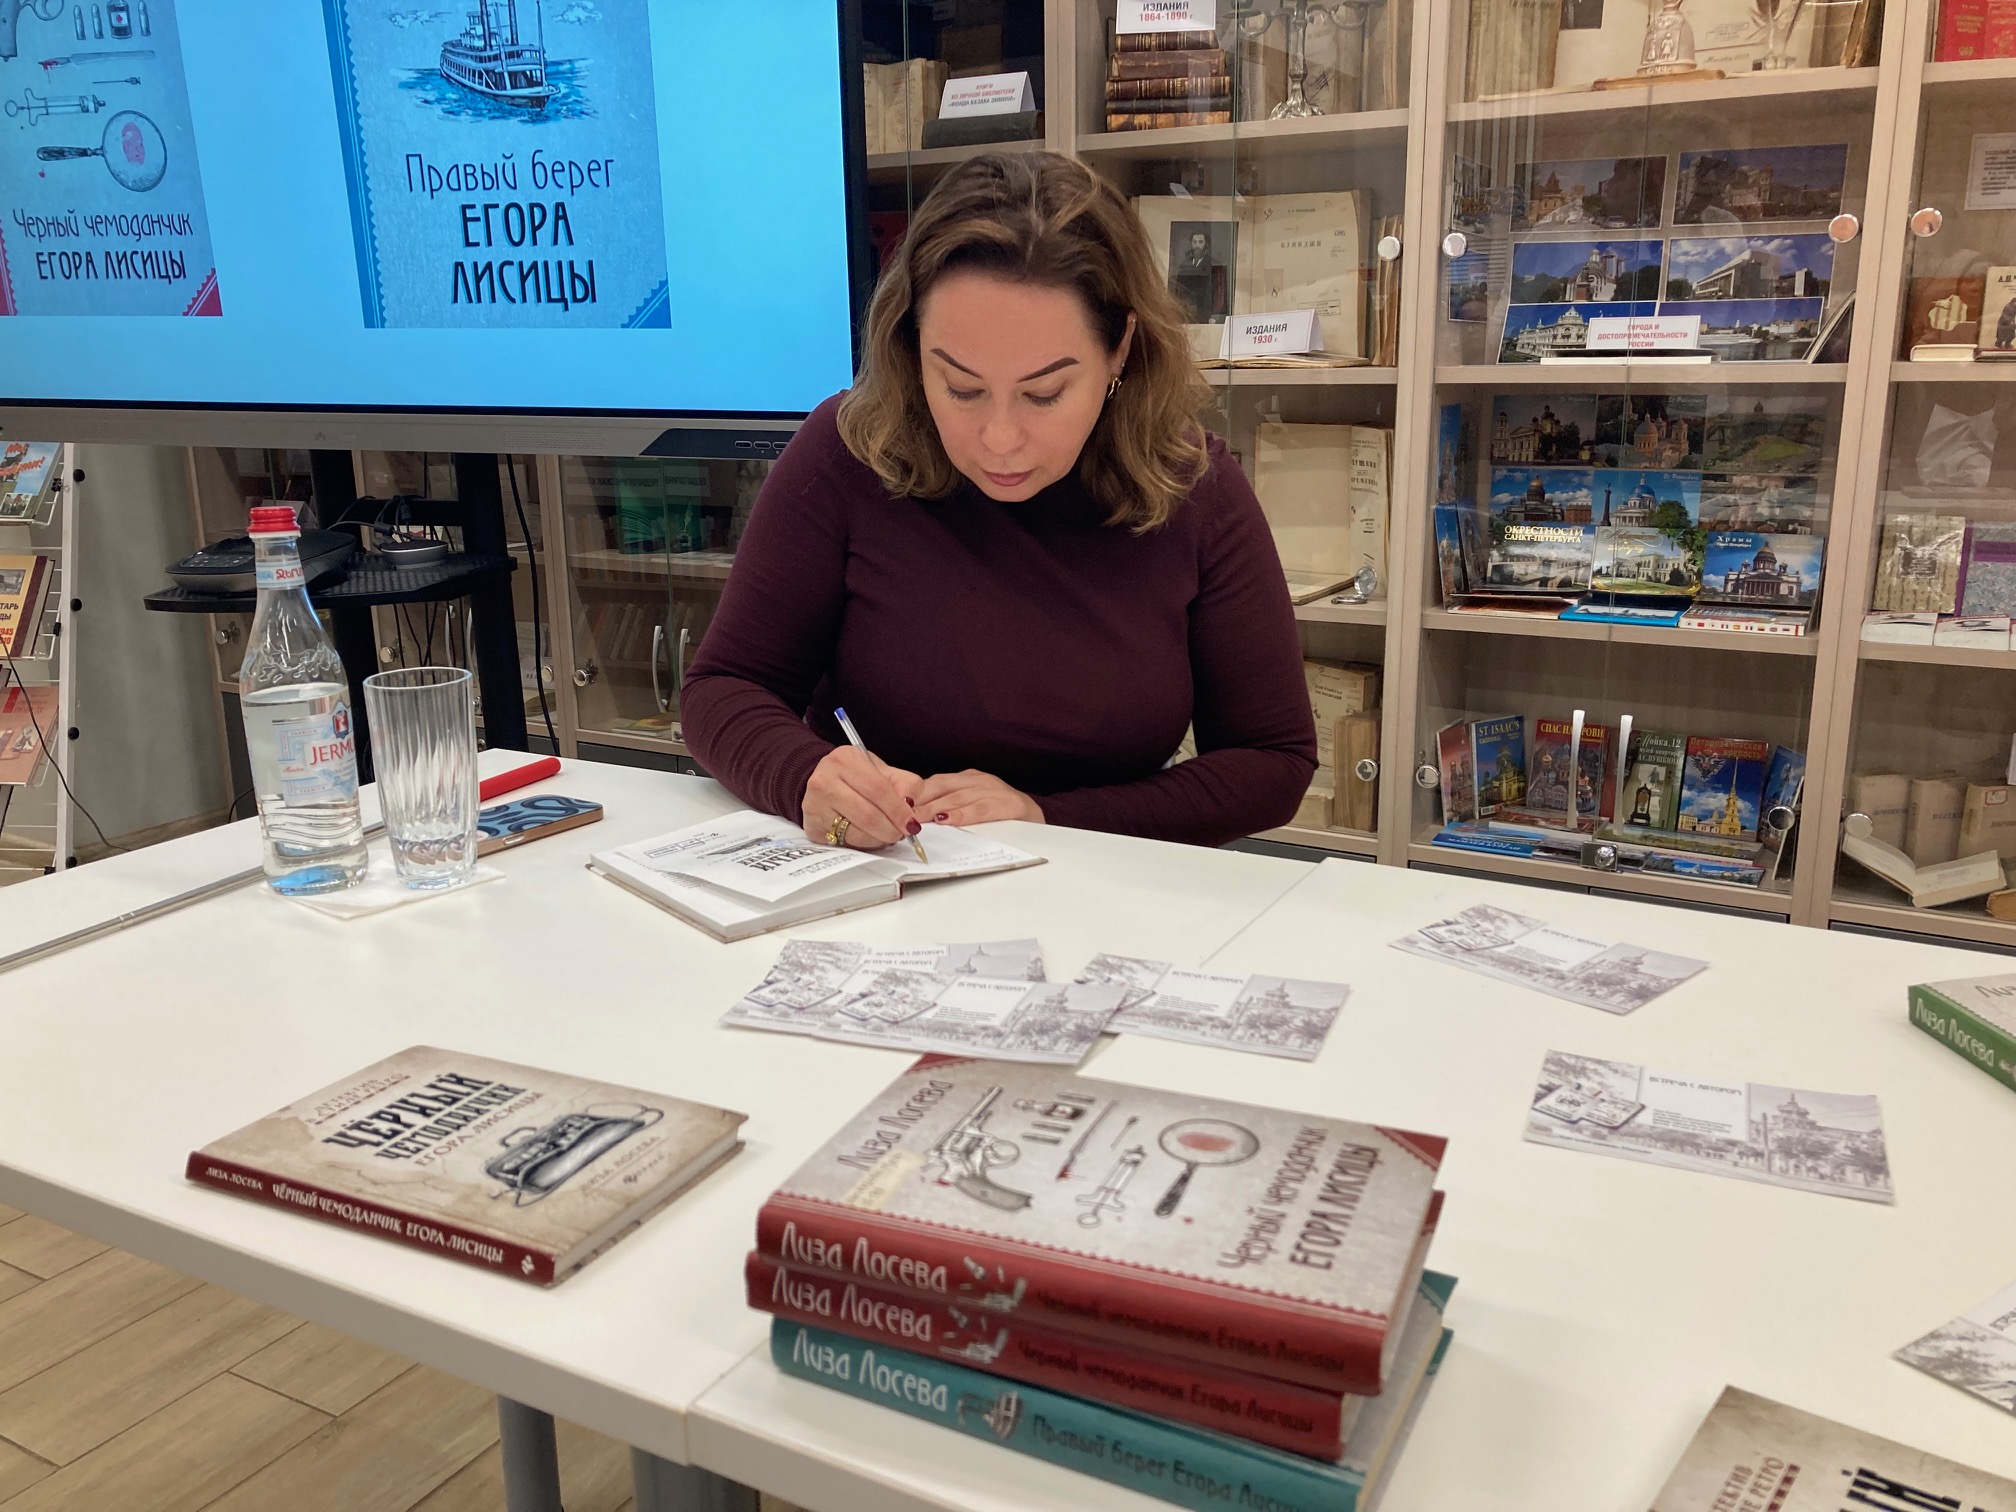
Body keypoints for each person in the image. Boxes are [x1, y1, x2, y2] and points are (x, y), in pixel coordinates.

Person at [680, 151, 1316, 852]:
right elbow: (724, 686)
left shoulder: (1194, 489)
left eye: (1044, 394)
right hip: (881, 872)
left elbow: (1271, 762)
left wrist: (1046, 817)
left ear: (1119, 352)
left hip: (1103, 885)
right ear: (911, 347)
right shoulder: (850, 450)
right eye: (961, 388)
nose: (1000, 440)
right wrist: (804, 775)